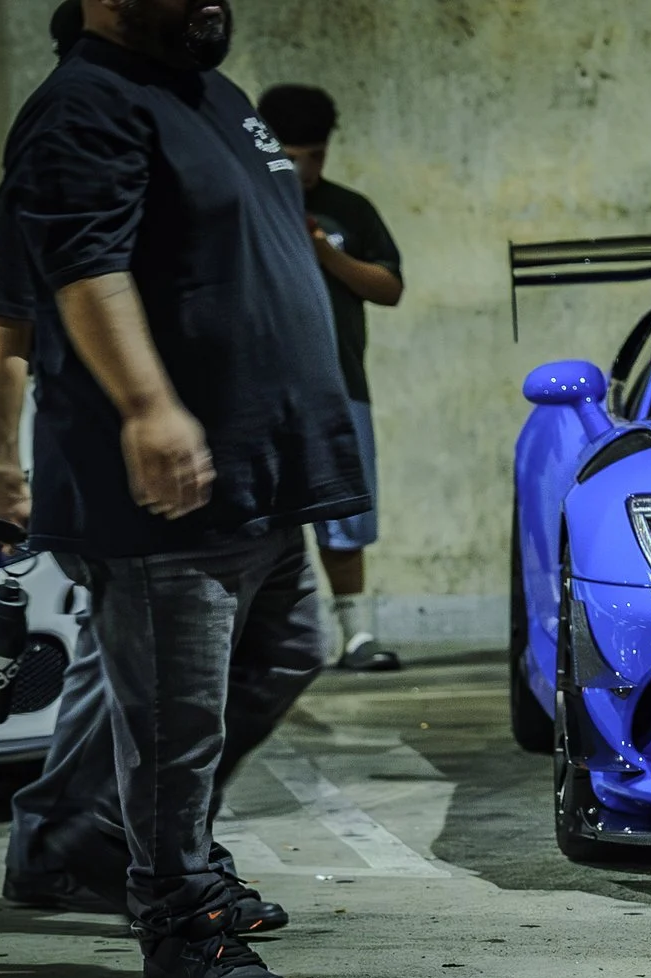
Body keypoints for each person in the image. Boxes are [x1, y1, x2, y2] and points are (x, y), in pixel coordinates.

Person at [0, 0, 365, 978]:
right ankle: (176, 922)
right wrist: (150, 407)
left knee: (286, 651)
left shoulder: (212, 94)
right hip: (168, 488)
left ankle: (96, 833)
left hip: (261, 470)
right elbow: (81, 267)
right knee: (173, 726)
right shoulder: (86, 107)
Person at [256, 84, 408, 672]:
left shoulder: (351, 209)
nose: (306, 168)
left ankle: (355, 635)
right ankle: (270, 640)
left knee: (346, 514)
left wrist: (322, 248)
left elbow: (390, 288)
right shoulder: (246, 204)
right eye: (293, 155)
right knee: (263, 515)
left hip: (341, 385)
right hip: (261, 391)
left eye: (315, 154)